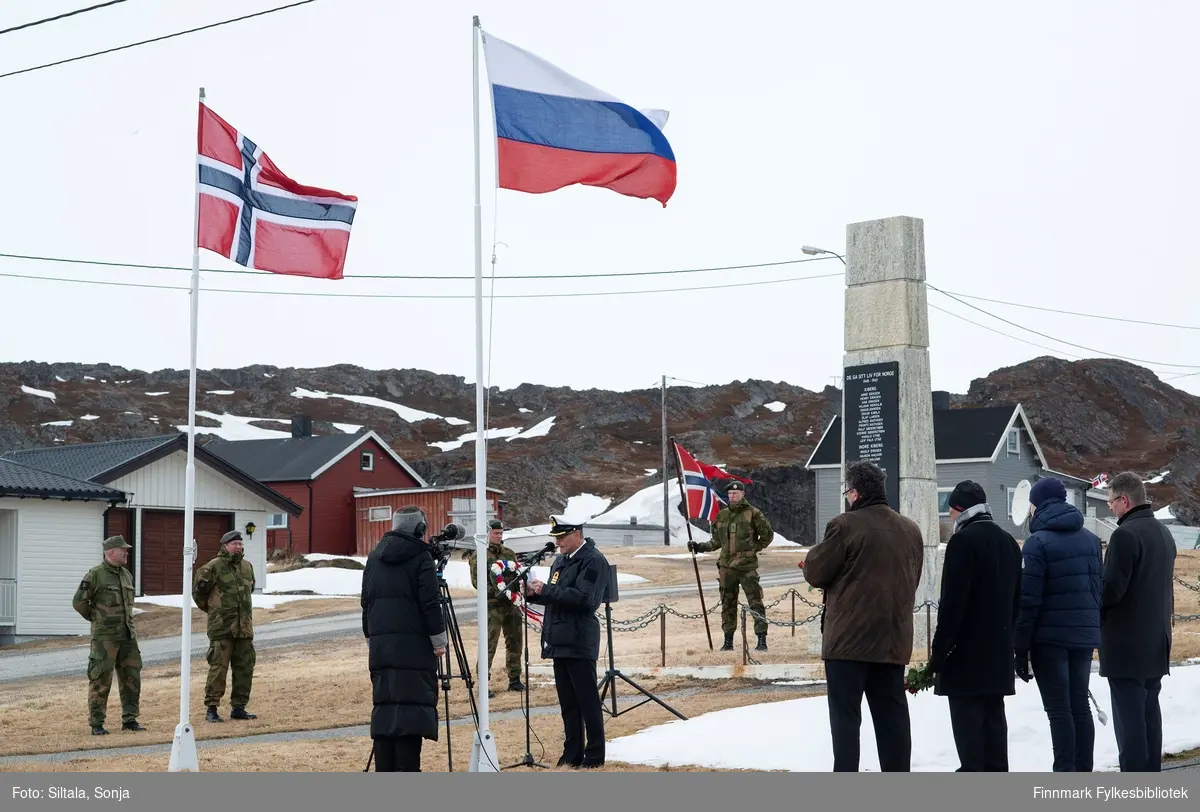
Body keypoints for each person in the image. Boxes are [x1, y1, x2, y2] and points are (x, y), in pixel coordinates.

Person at [803, 461, 923, 772]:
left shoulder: (845, 526)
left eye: (846, 492)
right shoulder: (911, 530)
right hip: (893, 639)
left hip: (849, 643)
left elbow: (817, 572)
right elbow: (914, 578)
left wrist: (809, 564)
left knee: (845, 720)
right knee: (892, 717)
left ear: (855, 493)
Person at [929, 481, 1022, 771]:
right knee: (994, 726)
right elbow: (1018, 600)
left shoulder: (963, 542)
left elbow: (953, 604)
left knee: (969, 736)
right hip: (998, 652)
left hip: (966, 655)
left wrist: (939, 653)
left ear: (958, 510)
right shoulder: (1008, 542)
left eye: (951, 513)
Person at [1014, 477, 1103, 772]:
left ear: (1037, 506)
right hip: (1083, 635)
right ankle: (1083, 771)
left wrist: (1020, 646)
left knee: (1058, 709)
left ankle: (1065, 773)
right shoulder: (1091, 540)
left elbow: (1029, 600)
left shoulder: (1037, 543)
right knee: (1080, 704)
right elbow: (1096, 589)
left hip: (1048, 639)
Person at [1099, 472, 1177, 772]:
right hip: (1157, 641)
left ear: (1125, 500)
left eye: (1111, 501)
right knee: (1148, 717)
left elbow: (1111, 592)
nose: (1110, 508)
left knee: (1129, 724)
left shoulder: (1125, 535)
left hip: (1126, 646)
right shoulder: (1163, 533)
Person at [361, 507, 448, 772]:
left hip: (382, 647)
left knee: (386, 710)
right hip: (414, 648)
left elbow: (366, 603)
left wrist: (371, 638)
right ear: (419, 529)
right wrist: (439, 640)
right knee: (411, 712)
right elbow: (430, 604)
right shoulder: (421, 557)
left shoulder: (375, 556)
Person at [525, 515, 610, 768]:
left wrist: (546, 591)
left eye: (562, 537)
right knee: (568, 704)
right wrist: (533, 594)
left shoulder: (593, 560)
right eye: (556, 538)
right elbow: (556, 596)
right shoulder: (562, 560)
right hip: (559, 638)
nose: (558, 542)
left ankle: (594, 755)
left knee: (587, 701)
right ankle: (572, 754)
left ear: (577, 534)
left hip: (579, 638)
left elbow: (586, 599)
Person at [688, 481, 774, 652]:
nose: (732, 496)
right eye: (729, 494)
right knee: (727, 604)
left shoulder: (753, 513)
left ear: (742, 494)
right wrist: (698, 547)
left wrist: (753, 549)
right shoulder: (722, 516)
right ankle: (728, 641)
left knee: (755, 603)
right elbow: (716, 542)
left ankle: (761, 640)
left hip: (747, 568)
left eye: (735, 493)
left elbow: (767, 536)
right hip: (726, 568)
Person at [72, 535, 145, 736]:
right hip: (105, 638)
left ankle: (130, 720)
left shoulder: (126, 575)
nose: (127, 552)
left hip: (127, 636)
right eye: (123, 550)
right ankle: (97, 723)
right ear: (112, 552)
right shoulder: (95, 575)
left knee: (132, 678)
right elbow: (78, 602)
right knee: (101, 678)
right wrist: (96, 620)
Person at [193, 530, 258, 723]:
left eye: (240, 543)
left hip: (244, 628)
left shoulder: (247, 567)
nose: (238, 547)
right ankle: (211, 708)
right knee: (218, 669)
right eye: (234, 544)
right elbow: (199, 594)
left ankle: (239, 707)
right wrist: (215, 612)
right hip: (222, 629)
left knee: (245, 668)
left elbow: (250, 591)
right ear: (225, 546)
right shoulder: (212, 567)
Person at [466, 519, 524, 696]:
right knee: (488, 645)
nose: (499, 536)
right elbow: (478, 582)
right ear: (488, 534)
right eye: (495, 533)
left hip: (511, 606)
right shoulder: (479, 556)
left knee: (515, 642)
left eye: (501, 533)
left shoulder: (509, 553)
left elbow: (517, 574)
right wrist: (500, 592)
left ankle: (515, 679)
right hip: (492, 606)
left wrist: (515, 594)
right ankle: (483, 684)